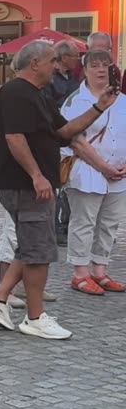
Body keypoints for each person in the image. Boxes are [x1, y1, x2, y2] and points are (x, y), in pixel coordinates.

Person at [0, 41, 117, 339]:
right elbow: (14, 137)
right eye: (53, 61)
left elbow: (64, 132)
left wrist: (98, 107)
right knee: (38, 252)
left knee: (31, 246)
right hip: (25, 185)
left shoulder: (38, 95)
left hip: (33, 184)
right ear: (35, 63)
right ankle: (35, 317)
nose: (59, 66)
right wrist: (37, 176)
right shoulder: (15, 92)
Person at [60, 49, 126, 295]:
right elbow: (75, 140)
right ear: (85, 70)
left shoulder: (123, 100)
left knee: (109, 223)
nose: (100, 70)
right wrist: (103, 166)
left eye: (105, 65)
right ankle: (80, 272)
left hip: (119, 173)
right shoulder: (76, 101)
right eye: (95, 65)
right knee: (84, 222)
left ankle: (100, 269)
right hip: (87, 169)